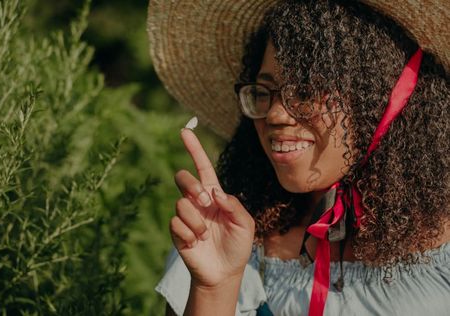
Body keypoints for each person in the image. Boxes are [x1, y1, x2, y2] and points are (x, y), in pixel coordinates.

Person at [147, 0, 449, 315]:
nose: (276, 115)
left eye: (306, 93)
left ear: (379, 98)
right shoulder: (224, 232)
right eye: (265, 92)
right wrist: (215, 288)